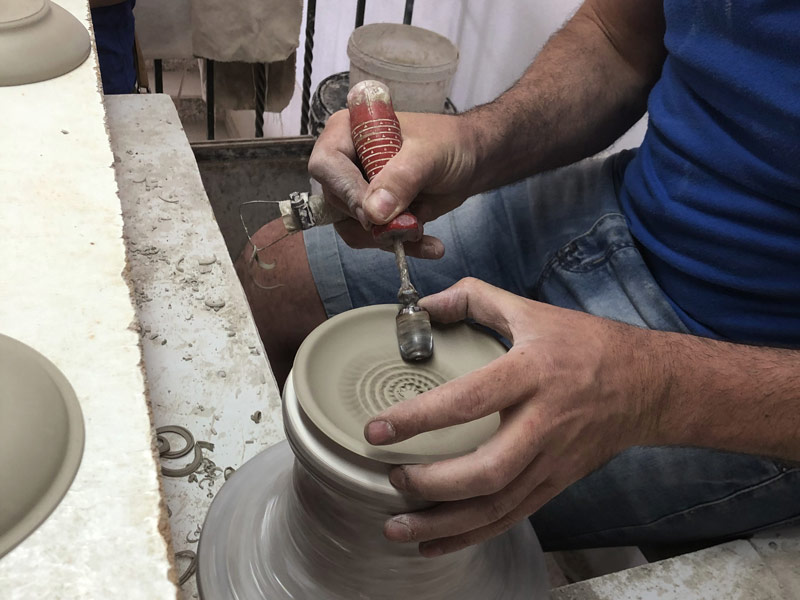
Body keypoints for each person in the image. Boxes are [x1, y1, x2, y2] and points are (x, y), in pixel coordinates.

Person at [235, 0, 800, 558]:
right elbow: (618, 39)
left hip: (745, 360)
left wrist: (649, 388)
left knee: (397, 510)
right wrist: (476, 143)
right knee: (275, 270)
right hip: (628, 204)